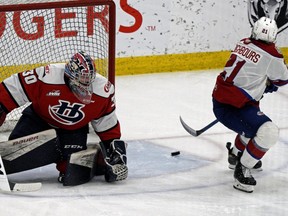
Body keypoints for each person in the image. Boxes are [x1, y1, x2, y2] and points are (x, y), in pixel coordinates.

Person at [0, 50, 128, 185]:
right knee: (14, 152)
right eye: (81, 78)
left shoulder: (103, 90)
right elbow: (14, 88)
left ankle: (98, 158)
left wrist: (113, 149)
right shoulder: (47, 76)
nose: (85, 83)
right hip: (38, 120)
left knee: (73, 174)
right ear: (69, 74)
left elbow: (106, 123)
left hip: (72, 131)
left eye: (88, 79)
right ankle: (65, 151)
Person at [212, 17, 288, 193]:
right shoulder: (272, 54)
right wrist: (269, 84)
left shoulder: (243, 43)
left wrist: (263, 85)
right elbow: (282, 79)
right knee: (268, 132)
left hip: (223, 101)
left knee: (254, 128)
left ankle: (236, 155)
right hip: (235, 107)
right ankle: (243, 169)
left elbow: (249, 72)